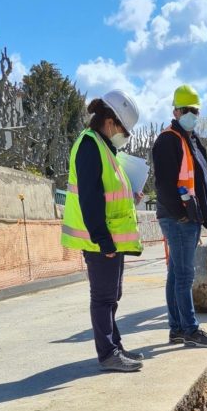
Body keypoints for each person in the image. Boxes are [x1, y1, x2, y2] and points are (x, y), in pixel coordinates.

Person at [61, 89, 144, 372]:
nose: (125, 136)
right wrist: (103, 239)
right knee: (103, 297)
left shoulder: (104, 147)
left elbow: (108, 192)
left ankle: (115, 346)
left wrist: (131, 196)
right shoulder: (89, 145)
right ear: (110, 122)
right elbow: (90, 196)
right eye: (125, 130)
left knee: (112, 295)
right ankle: (108, 353)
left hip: (110, 238)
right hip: (100, 240)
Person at [153, 85, 207, 348]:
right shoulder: (168, 140)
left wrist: (203, 216)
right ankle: (190, 329)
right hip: (178, 218)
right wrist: (181, 214)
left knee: (175, 274)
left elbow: (201, 182)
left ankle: (177, 329)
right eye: (187, 110)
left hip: (188, 218)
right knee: (184, 275)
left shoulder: (190, 140)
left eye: (195, 110)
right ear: (176, 111)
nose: (192, 114)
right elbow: (164, 184)